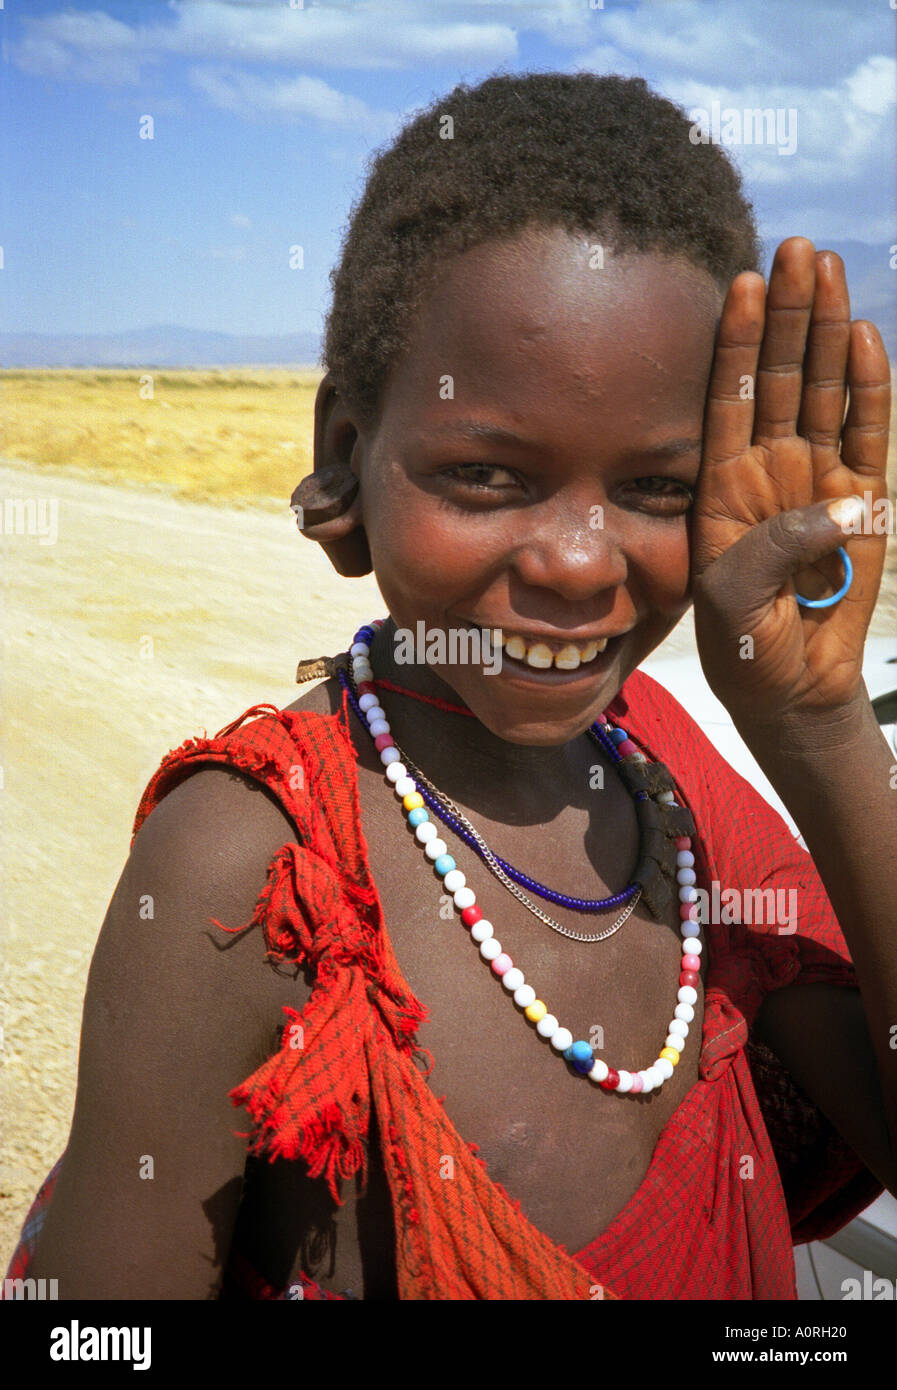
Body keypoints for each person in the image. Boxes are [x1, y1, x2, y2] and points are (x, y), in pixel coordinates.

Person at [5, 71, 895, 1301]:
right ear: (342, 462)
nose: (580, 564)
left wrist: (820, 726)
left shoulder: (672, 776)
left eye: (654, 489)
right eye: (486, 475)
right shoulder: (252, 870)